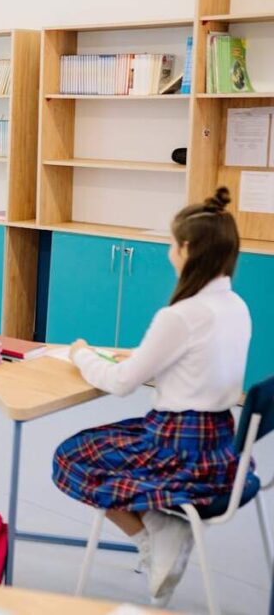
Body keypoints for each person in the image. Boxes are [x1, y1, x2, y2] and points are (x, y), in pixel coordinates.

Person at [52, 187, 255, 606]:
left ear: (188, 250)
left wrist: (80, 354)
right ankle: (161, 524)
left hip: (175, 446)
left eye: (171, 244)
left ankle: (152, 537)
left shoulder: (179, 316)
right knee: (105, 448)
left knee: (71, 457)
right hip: (220, 447)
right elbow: (196, 363)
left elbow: (123, 383)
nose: (168, 253)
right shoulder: (236, 307)